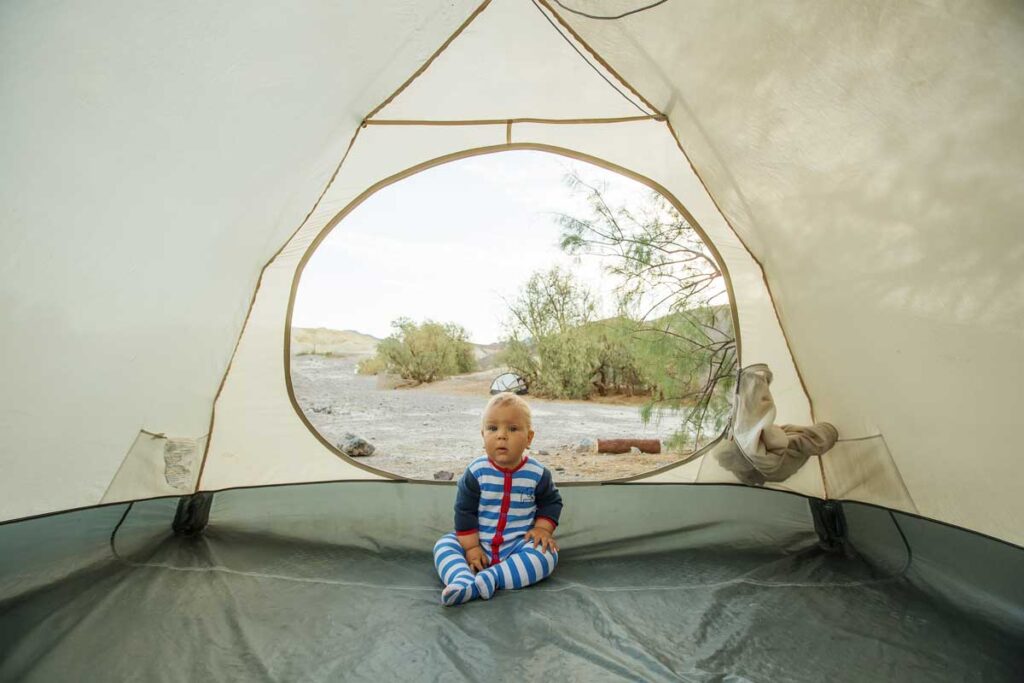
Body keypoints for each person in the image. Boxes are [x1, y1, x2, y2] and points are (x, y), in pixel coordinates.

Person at [432, 392, 563, 606]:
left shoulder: (538, 474)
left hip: (517, 546)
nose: (501, 436)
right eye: (493, 428)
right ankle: (461, 580)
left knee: (547, 555)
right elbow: (464, 512)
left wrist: (542, 529)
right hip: (477, 542)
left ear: (529, 438)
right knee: (444, 545)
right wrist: (472, 548)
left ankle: (490, 579)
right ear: (483, 434)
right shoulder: (476, 472)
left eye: (512, 429)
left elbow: (551, 503)